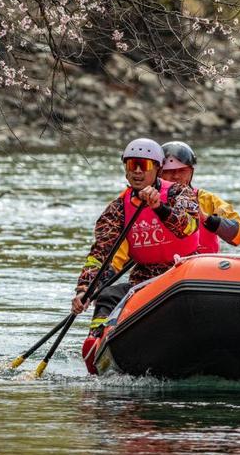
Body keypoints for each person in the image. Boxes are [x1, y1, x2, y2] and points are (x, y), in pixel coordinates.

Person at [72, 138, 200, 373]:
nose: (138, 172)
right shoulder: (117, 208)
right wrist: (84, 289)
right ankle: (97, 342)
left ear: (158, 169)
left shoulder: (180, 193)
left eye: (144, 165)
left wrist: (159, 207)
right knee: (109, 294)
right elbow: (100, 252)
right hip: (143, 280)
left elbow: (187, 226)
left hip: (182, 273)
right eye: (132, 165)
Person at [160, 141, 240, 252]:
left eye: (182, 170)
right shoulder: (149, 200)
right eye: (169, 171)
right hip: (163, 266)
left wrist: (207, 218)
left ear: (191, 172)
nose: (176, 176)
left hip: (201, 264)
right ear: (159, 173)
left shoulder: (206, 200)